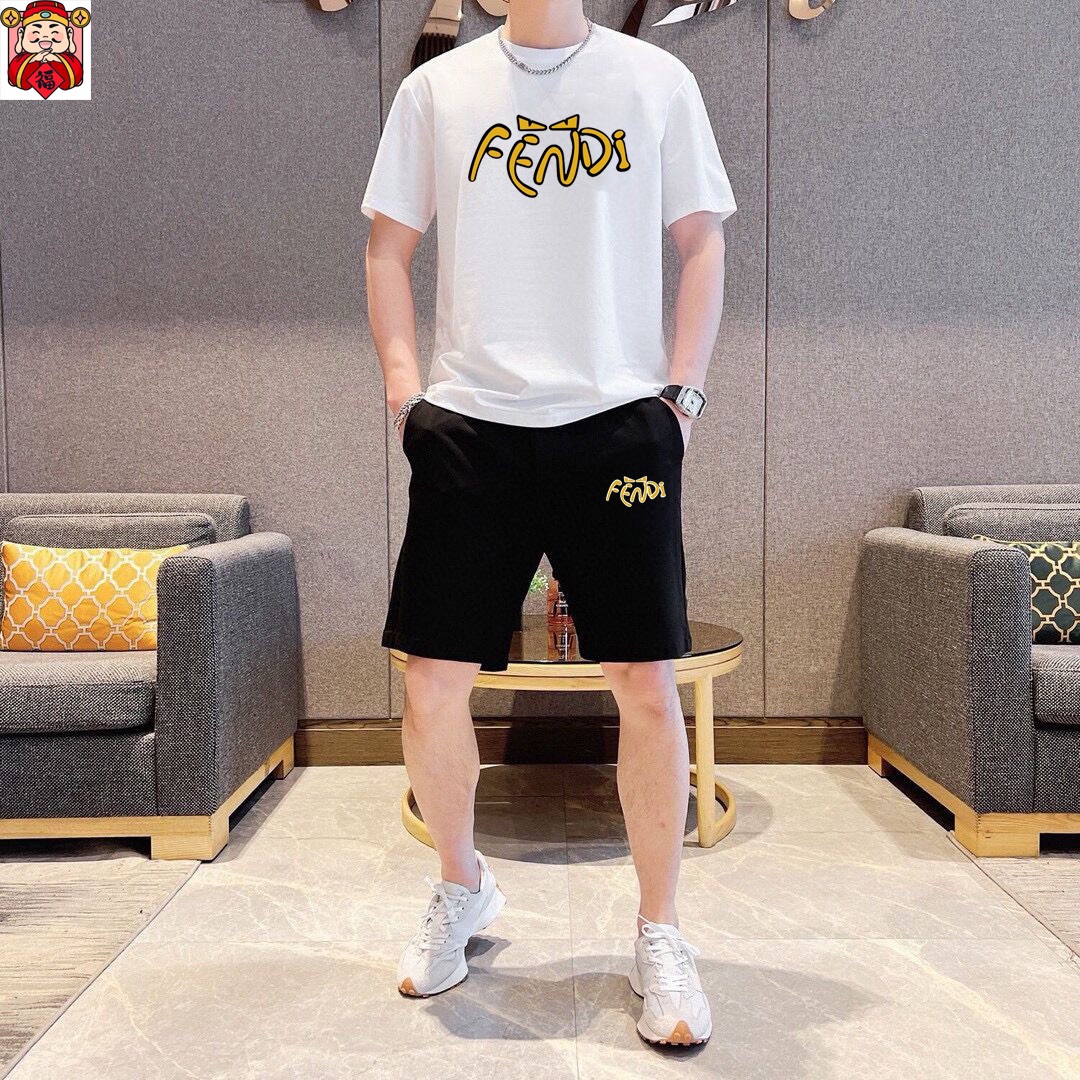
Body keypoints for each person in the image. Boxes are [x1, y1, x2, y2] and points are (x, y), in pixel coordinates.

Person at [362, 0, 736, 1048]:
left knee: (645, 683)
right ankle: (462, 887)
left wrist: (681, 398)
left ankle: (661, 932)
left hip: (617, 425)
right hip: (470, 426)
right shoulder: (437, 89)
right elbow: (387, 248)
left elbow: (702, 240)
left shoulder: (654, 82)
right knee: (431, 682)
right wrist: (405, 394)